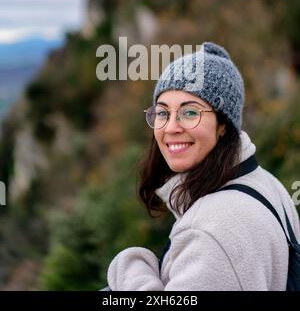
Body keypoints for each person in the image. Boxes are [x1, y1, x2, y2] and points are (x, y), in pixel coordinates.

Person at [105, 41, 300, 291]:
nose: (171, 127)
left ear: (223, 125)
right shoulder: (266, 184)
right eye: (163, 113)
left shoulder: (211, 228)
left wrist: (131, 269)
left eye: (189, 113)